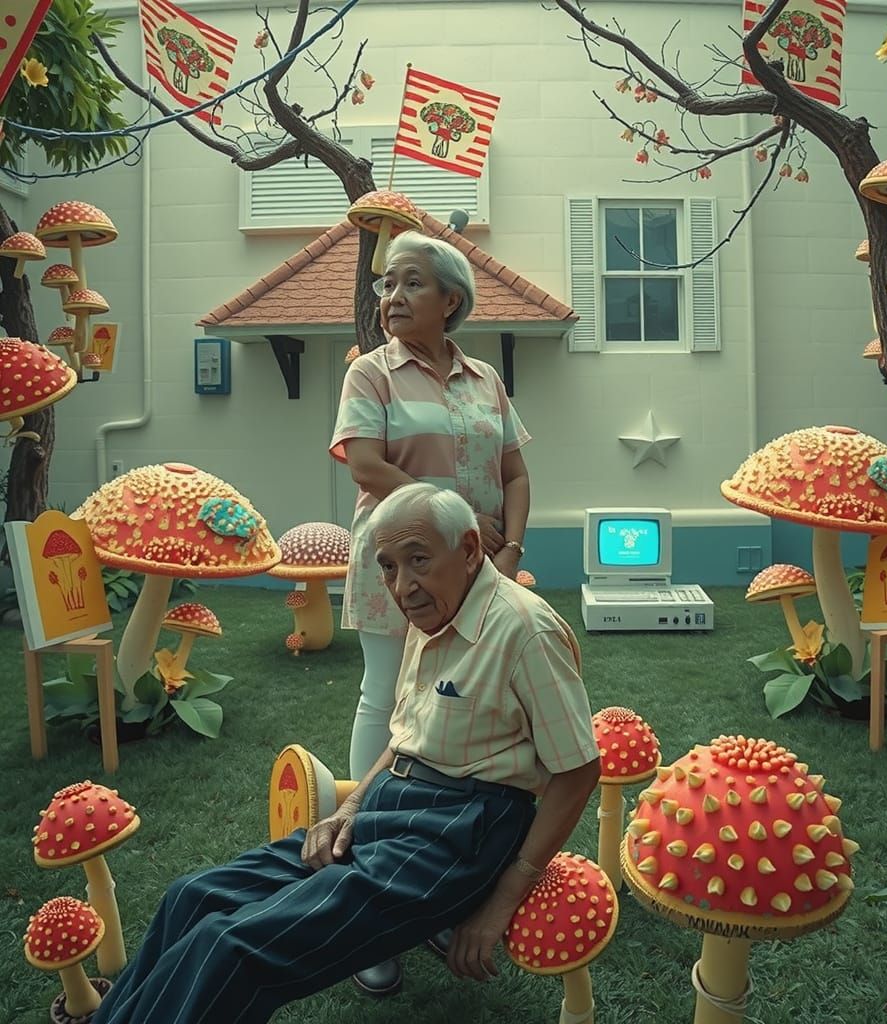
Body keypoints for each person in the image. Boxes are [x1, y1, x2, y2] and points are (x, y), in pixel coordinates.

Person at [90, 484, 599, 1024]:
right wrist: (349, 808)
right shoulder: (433, 614)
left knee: (234, 947)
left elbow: (579, 769)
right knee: (192, 897)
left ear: (470, 549)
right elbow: (406, 736)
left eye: (419, 560)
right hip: (392, 800)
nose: (404, 587)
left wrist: (503, 899)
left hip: (460, 830)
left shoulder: (525, 629)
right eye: (388, 567)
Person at [330, 231, 532, 993]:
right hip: (402, 559)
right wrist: (454, 531)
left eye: (410, 284)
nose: (391, 298)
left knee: (466, 708)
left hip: (479, 566)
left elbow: (515, 470)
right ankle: (367, 875)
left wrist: (504, 554)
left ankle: (437, 874)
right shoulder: (371, 374)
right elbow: (366, 463)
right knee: (387, 697)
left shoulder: (486, 380)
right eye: (387, 285)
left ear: (451, 300)